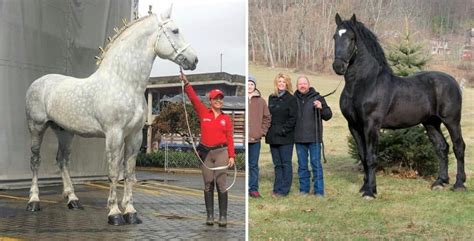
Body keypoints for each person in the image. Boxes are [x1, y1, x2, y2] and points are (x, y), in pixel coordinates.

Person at [180, 72, 235, 227]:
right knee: (208, 184)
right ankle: (210, 216)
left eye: (220, 98)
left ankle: (223, 216)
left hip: (221, 153)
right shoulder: (204, 112)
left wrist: (232, 156)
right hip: (206, 154)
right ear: (210, 100)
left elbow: (230, 138)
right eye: (216, 98)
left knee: (221, 184)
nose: (219, 101)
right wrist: (186, 83)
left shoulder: (226, 119)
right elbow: (193, 98)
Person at [294, 76, 332, 196]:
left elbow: (328, 115)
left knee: (316, 164)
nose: (302, 85)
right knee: (302, 165)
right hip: (299, 138)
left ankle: (319, 191)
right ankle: (304, 190)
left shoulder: (318, 97)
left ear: (309, 85)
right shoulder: (293, 99)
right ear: (297, 86)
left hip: (314, 138)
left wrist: (321, 108)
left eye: (304, 83)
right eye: (300, 84)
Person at [265, 73, 297, 197]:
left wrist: (284, 130)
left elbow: (293, 118)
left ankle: (284, 190)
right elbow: (268, 116)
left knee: (286, 163)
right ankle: (276, 188)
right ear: (276, 83)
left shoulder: (291, 99)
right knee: (277, 164)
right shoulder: (271, 97)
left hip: (286, 137)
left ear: (287, 84)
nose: (281, 84)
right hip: (273, 136)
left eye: (284, 82)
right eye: (279, 82)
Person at [248, 74, 271, 198]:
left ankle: (253, 189)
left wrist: (262, 132)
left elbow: (267, 118)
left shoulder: (261, 101)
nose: (249, 86)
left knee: (253, 165)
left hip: (255, 140)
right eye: (248, 84)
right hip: (243, 139)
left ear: (255, 86)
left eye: (251, 84)